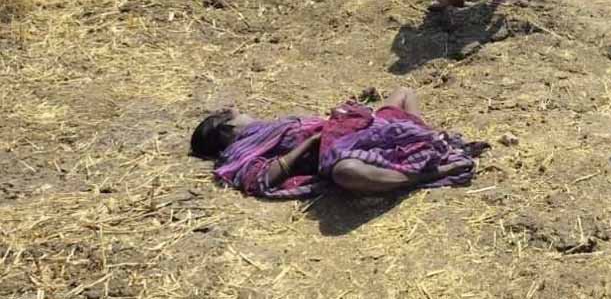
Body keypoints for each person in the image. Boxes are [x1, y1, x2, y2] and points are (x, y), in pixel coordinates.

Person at [190, 87, 485, 198]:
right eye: (234, 114)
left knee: (404, 93)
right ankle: (431, 172)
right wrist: (309, 143)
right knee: (347, 173)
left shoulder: (266, 129)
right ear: (227, 130)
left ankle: (430, 145)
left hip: (352, 133)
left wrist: (343, 116)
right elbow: (262, 178)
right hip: (335, 154)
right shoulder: (241, 153)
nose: (240, 111)